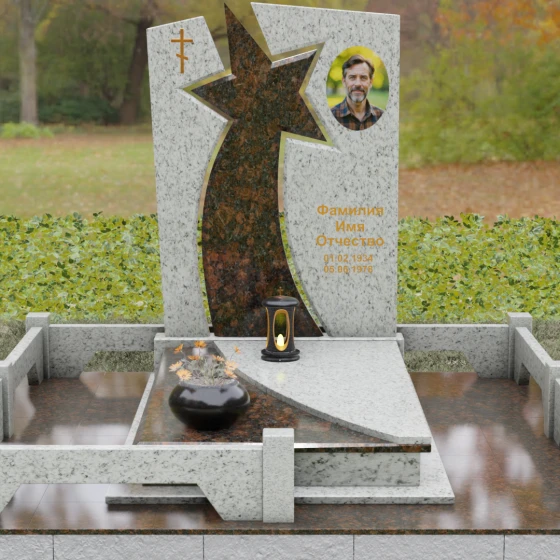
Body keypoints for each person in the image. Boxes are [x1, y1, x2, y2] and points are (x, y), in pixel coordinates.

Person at [331, 54, 383, 131]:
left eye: (363, 78)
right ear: (344, 81)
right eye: (352, 77)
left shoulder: (381, 116)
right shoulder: (330, 116)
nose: (358, 84)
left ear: (371, 82)